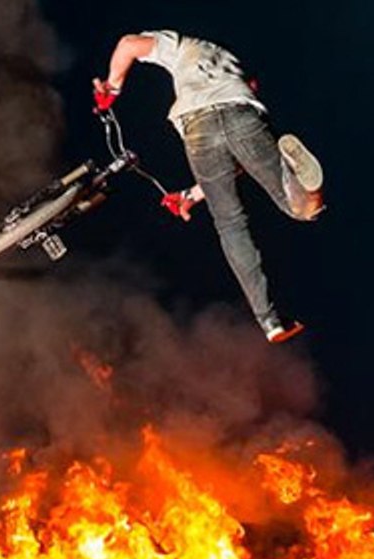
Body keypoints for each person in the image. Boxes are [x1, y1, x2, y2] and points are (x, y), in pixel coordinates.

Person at [93, 30, 325, 343]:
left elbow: (129, 45)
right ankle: (306, 193)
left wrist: (112, 87)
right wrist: (191, 194)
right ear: (252, 84)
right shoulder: (235, 73)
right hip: (243, 116)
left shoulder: (183, 46)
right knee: (299, 207)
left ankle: (270, 322)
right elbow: (240, 161)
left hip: (197, 127)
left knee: (231, 226)